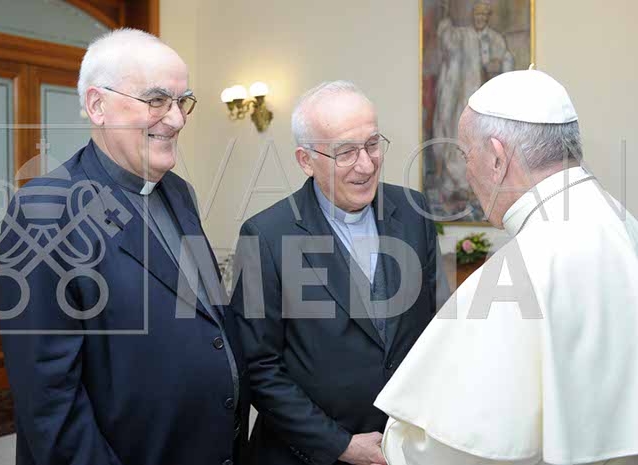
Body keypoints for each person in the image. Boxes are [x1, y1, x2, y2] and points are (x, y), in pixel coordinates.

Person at [0, 29, 248, 465]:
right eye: (157, 100)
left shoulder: (178, 192)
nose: (176, 119)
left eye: (182, 101)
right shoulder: (44, 210)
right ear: (98, 106)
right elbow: (49, 401)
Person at [376, 70, 638, 465]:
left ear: (497, 158)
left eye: (467, 156)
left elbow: (457, 451)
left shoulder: (522, 269)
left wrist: (397, 441)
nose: (467, 173)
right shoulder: (619, 219)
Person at [230, 81, 449, 465]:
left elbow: (436, 328)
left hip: (405, 447)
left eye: (372, 144)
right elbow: (260, 368)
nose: (366, 165)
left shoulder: (413, 211)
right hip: (309, 455)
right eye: (346, 152)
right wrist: (340, 445)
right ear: (305, 160)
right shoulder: (265, 235)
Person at [432, 0, 515, 217]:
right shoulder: (464, 37)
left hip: (490, 105)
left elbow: (507, 62)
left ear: (488, 18)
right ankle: (460, 188)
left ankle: (484, 194)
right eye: (477, 15)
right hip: (466, 97)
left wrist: (499, 66)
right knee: (459, 143)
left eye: (483, 16)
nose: (479, 19)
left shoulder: (496, 40)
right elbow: (448, 44)